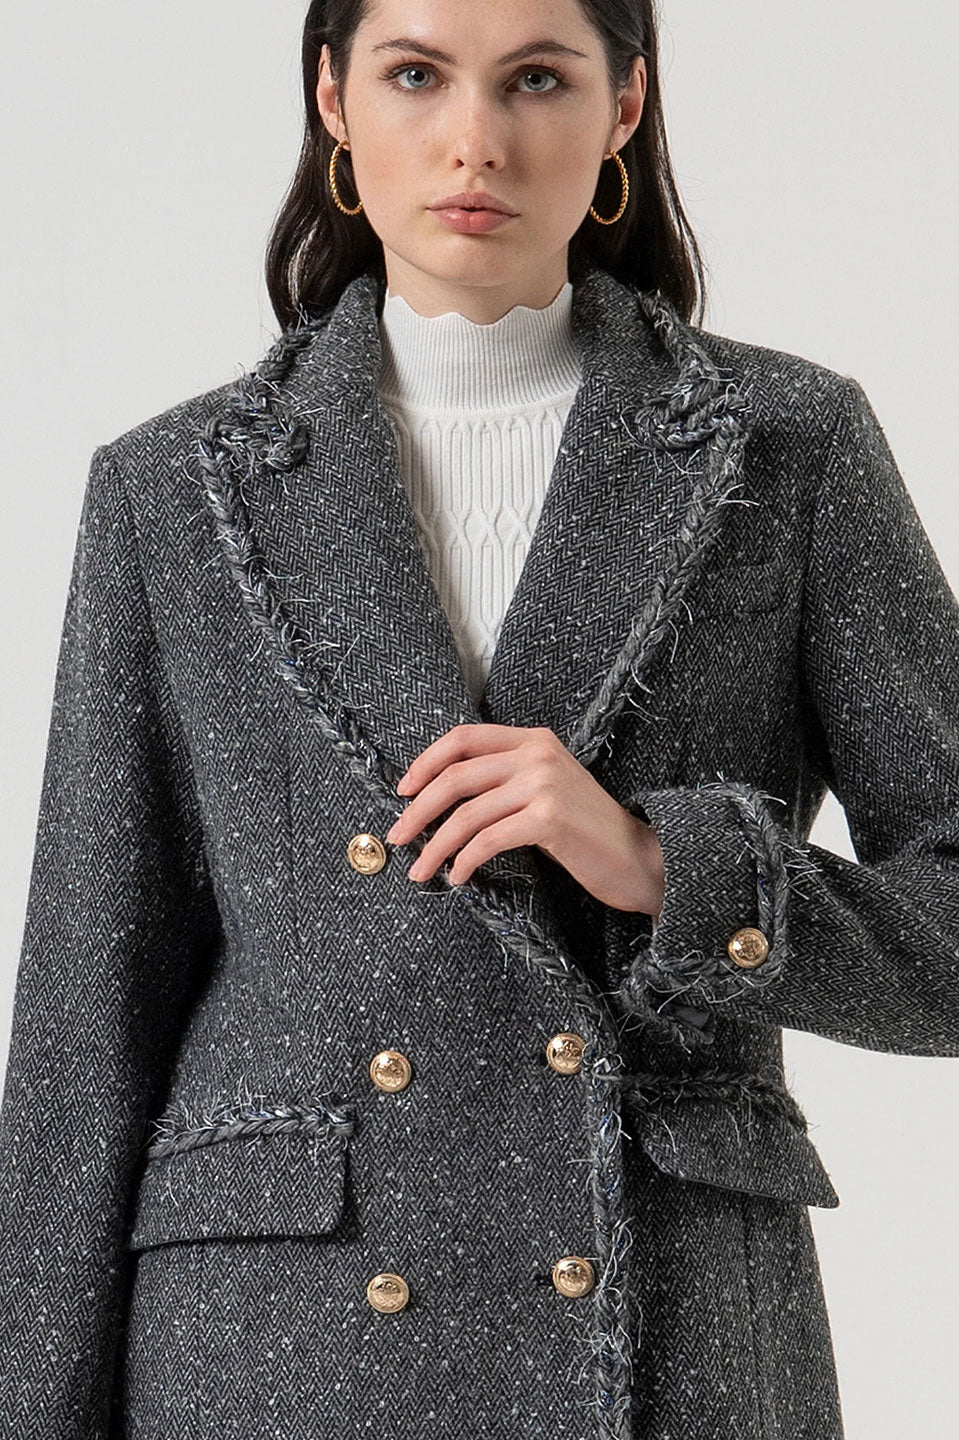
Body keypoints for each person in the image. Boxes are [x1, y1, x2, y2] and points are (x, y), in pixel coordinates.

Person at [2, 1, 957, 1436]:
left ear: (624, 106)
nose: (476, 140)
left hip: (673, 1319)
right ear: (334, 99)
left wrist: (668, 866)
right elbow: (86, 1027)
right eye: (415, 74)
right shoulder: (172, 487)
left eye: (536, 80)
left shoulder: (787, 447)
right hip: (277, 1344)